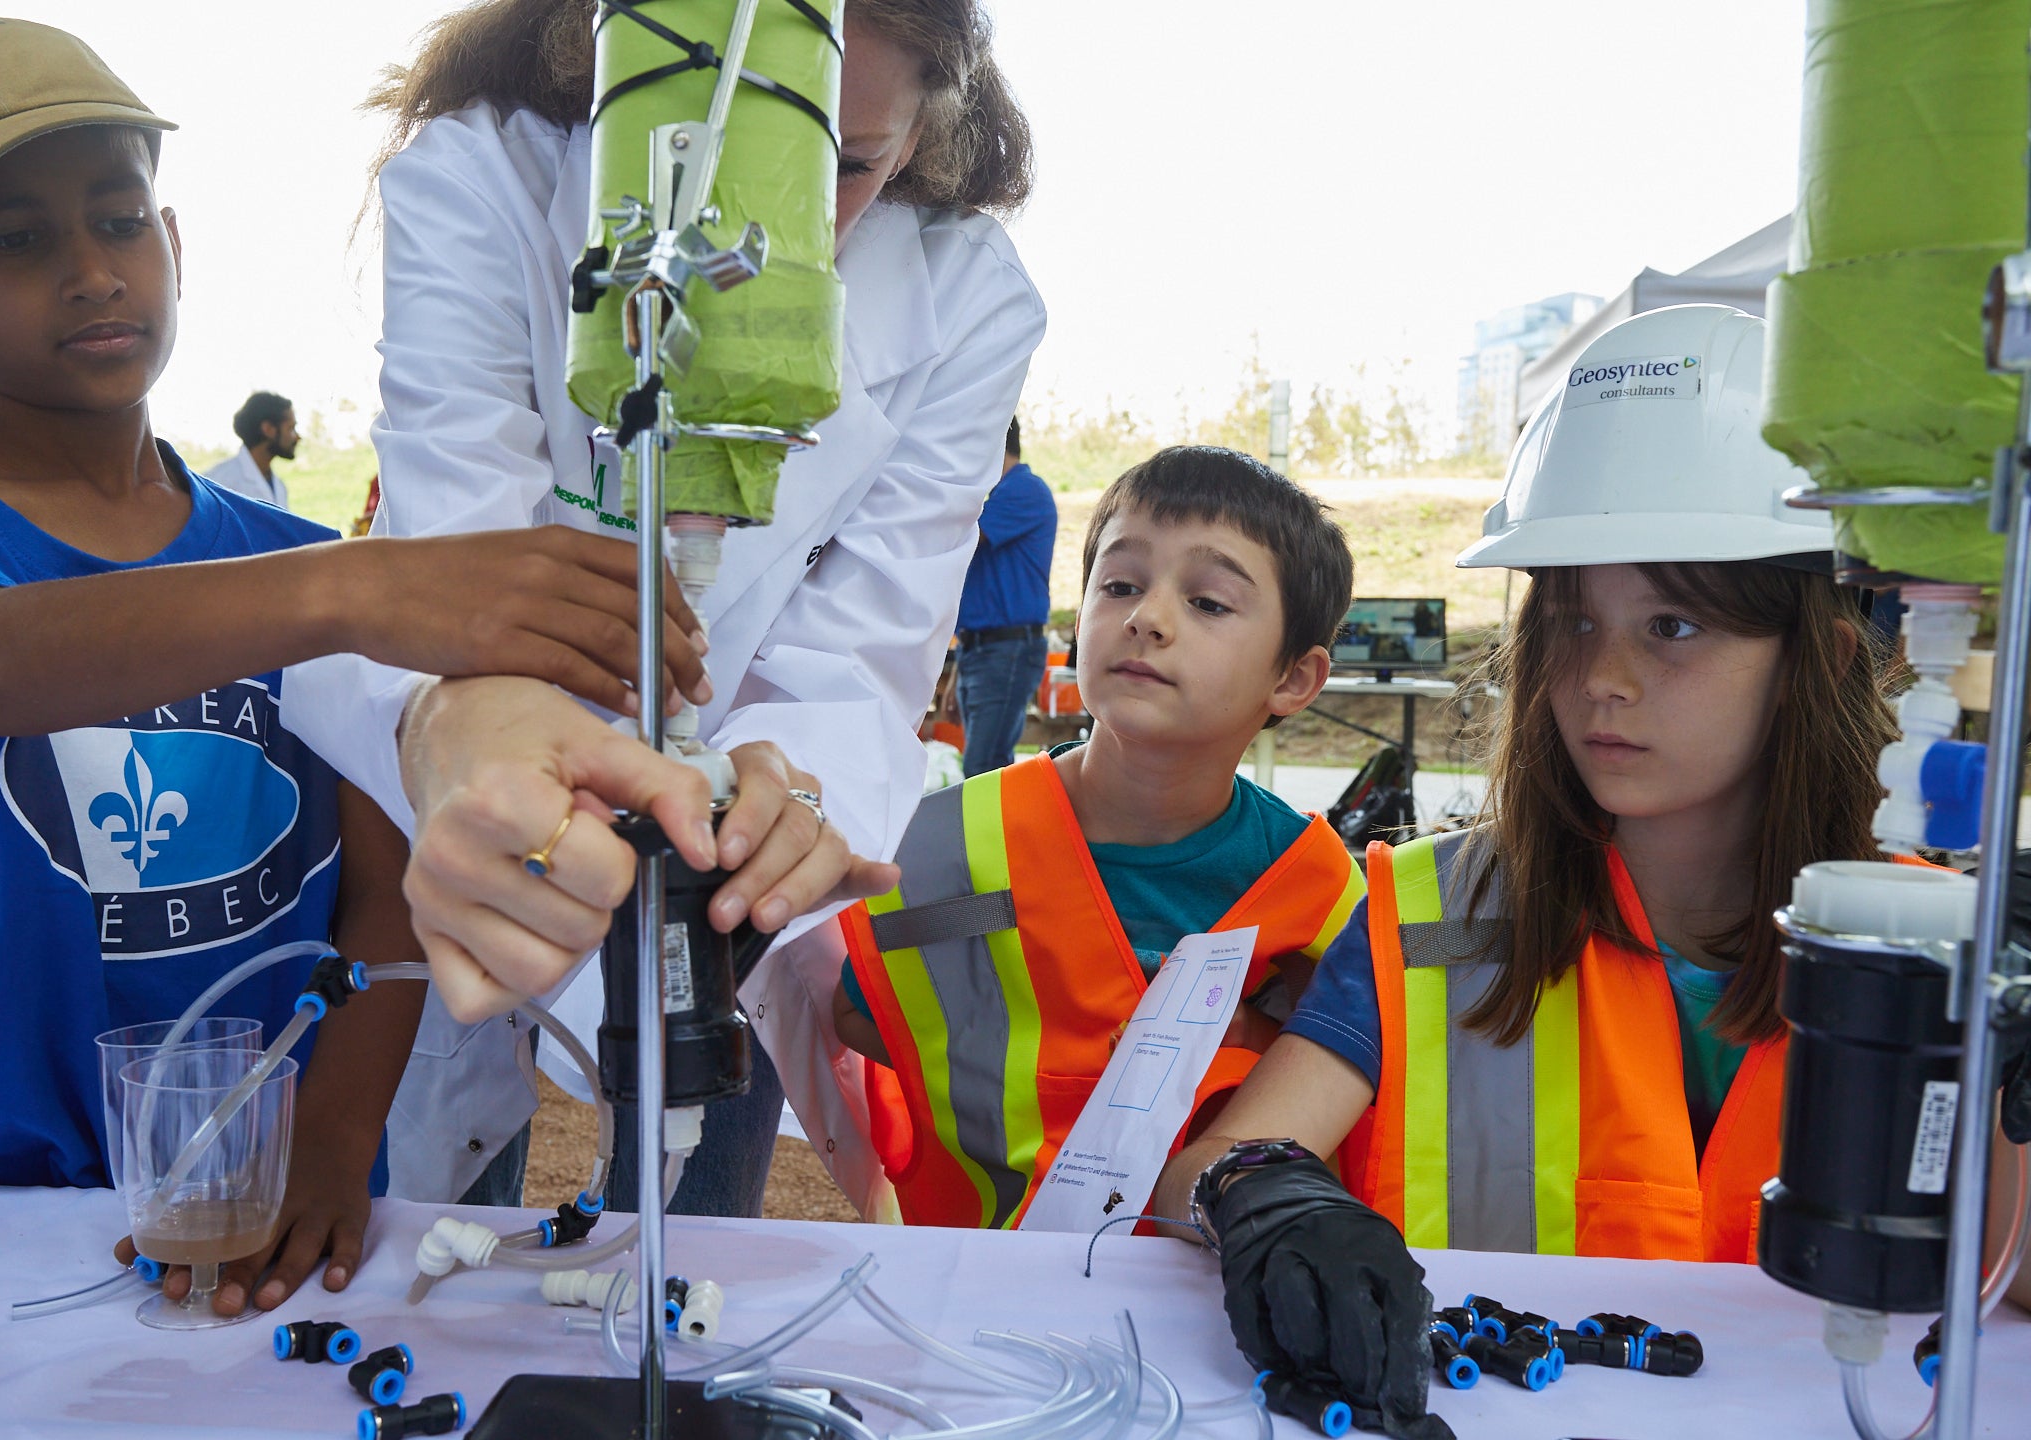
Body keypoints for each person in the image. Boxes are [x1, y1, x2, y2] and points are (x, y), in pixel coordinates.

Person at [0, 17, 709, 1211]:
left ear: (171, 242)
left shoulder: (292, 558)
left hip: (265, 1191)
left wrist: (329, 1140)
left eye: (119, 222)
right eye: (14, 239)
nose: (91, 270)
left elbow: (380, 899)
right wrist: (362, 589)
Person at [277, 0, 1045, 1221]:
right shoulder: (483, 182)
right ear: (603, 66)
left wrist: (789, 796)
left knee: (692, 1224)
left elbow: (865, 653)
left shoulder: (967, 297)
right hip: (502, 768)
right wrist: (501, 742)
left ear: (919, 137)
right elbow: (461, 553)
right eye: (704, 156)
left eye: (843, 168)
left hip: (727, 836)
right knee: (452, 1195)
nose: (766, 222)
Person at [1150, 305, 1906, 1439]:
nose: (1601, 677)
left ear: (1820, 656)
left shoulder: (1926, 948)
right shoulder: (1428, 916)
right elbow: (1210, 1164)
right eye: (1570, 619)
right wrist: (1261, 1198)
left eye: (1672, 626)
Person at [831, 447, 1365, 1226]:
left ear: (1293, 679)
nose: (1146, 617)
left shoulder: (1318, 893)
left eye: (1210, 602)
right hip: (965, 1277)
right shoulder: (939, 848)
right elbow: (859, 1012)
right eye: (1118, 585)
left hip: (1195, 1300)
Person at [952, 415, 1055, 776]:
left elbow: (959, 537)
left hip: (1005, 650)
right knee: (984, 766)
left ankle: (989, 835)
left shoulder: (1023, 490)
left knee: (984, 768)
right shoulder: (999, 496)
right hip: (980, 649)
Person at [203, 391, 297, 508]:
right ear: (268, 429)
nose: (297, 437)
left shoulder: (279, 487)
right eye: (291, 428)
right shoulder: (218, 482)